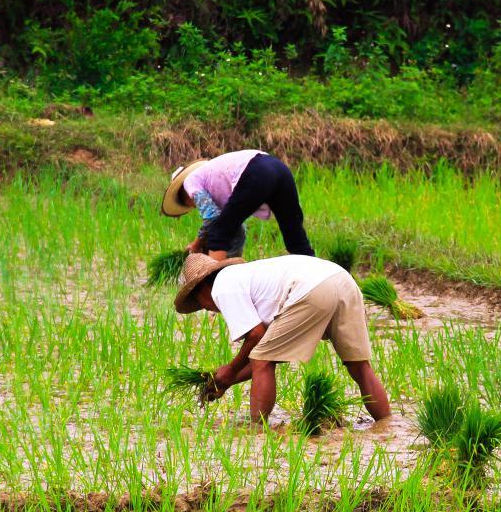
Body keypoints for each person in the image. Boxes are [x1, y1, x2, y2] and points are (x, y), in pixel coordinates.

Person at [173, 252, 391, 424]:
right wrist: (227, 379)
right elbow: (269, 353)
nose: (206, 308)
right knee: (359, 366)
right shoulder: (245, 277)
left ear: (202, 288)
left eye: (199, 303)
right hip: (342, 279)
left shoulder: (222, 288)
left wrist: (229, 370)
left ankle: (257, 432)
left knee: (261, 360)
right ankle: (386, 426)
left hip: (311, 288)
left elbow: (257, 342)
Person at [161, 150, 314, 260]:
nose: (195, 205)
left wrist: (196, 244)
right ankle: (318, 281)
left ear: (186, 196)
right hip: (280, 169)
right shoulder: (212, 180)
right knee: (296, 239)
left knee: (217, 236)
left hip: (256, 171)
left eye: (191, 204)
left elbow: (212, 218)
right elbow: (235, 228)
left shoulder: (190, 182)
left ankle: (215, 287)